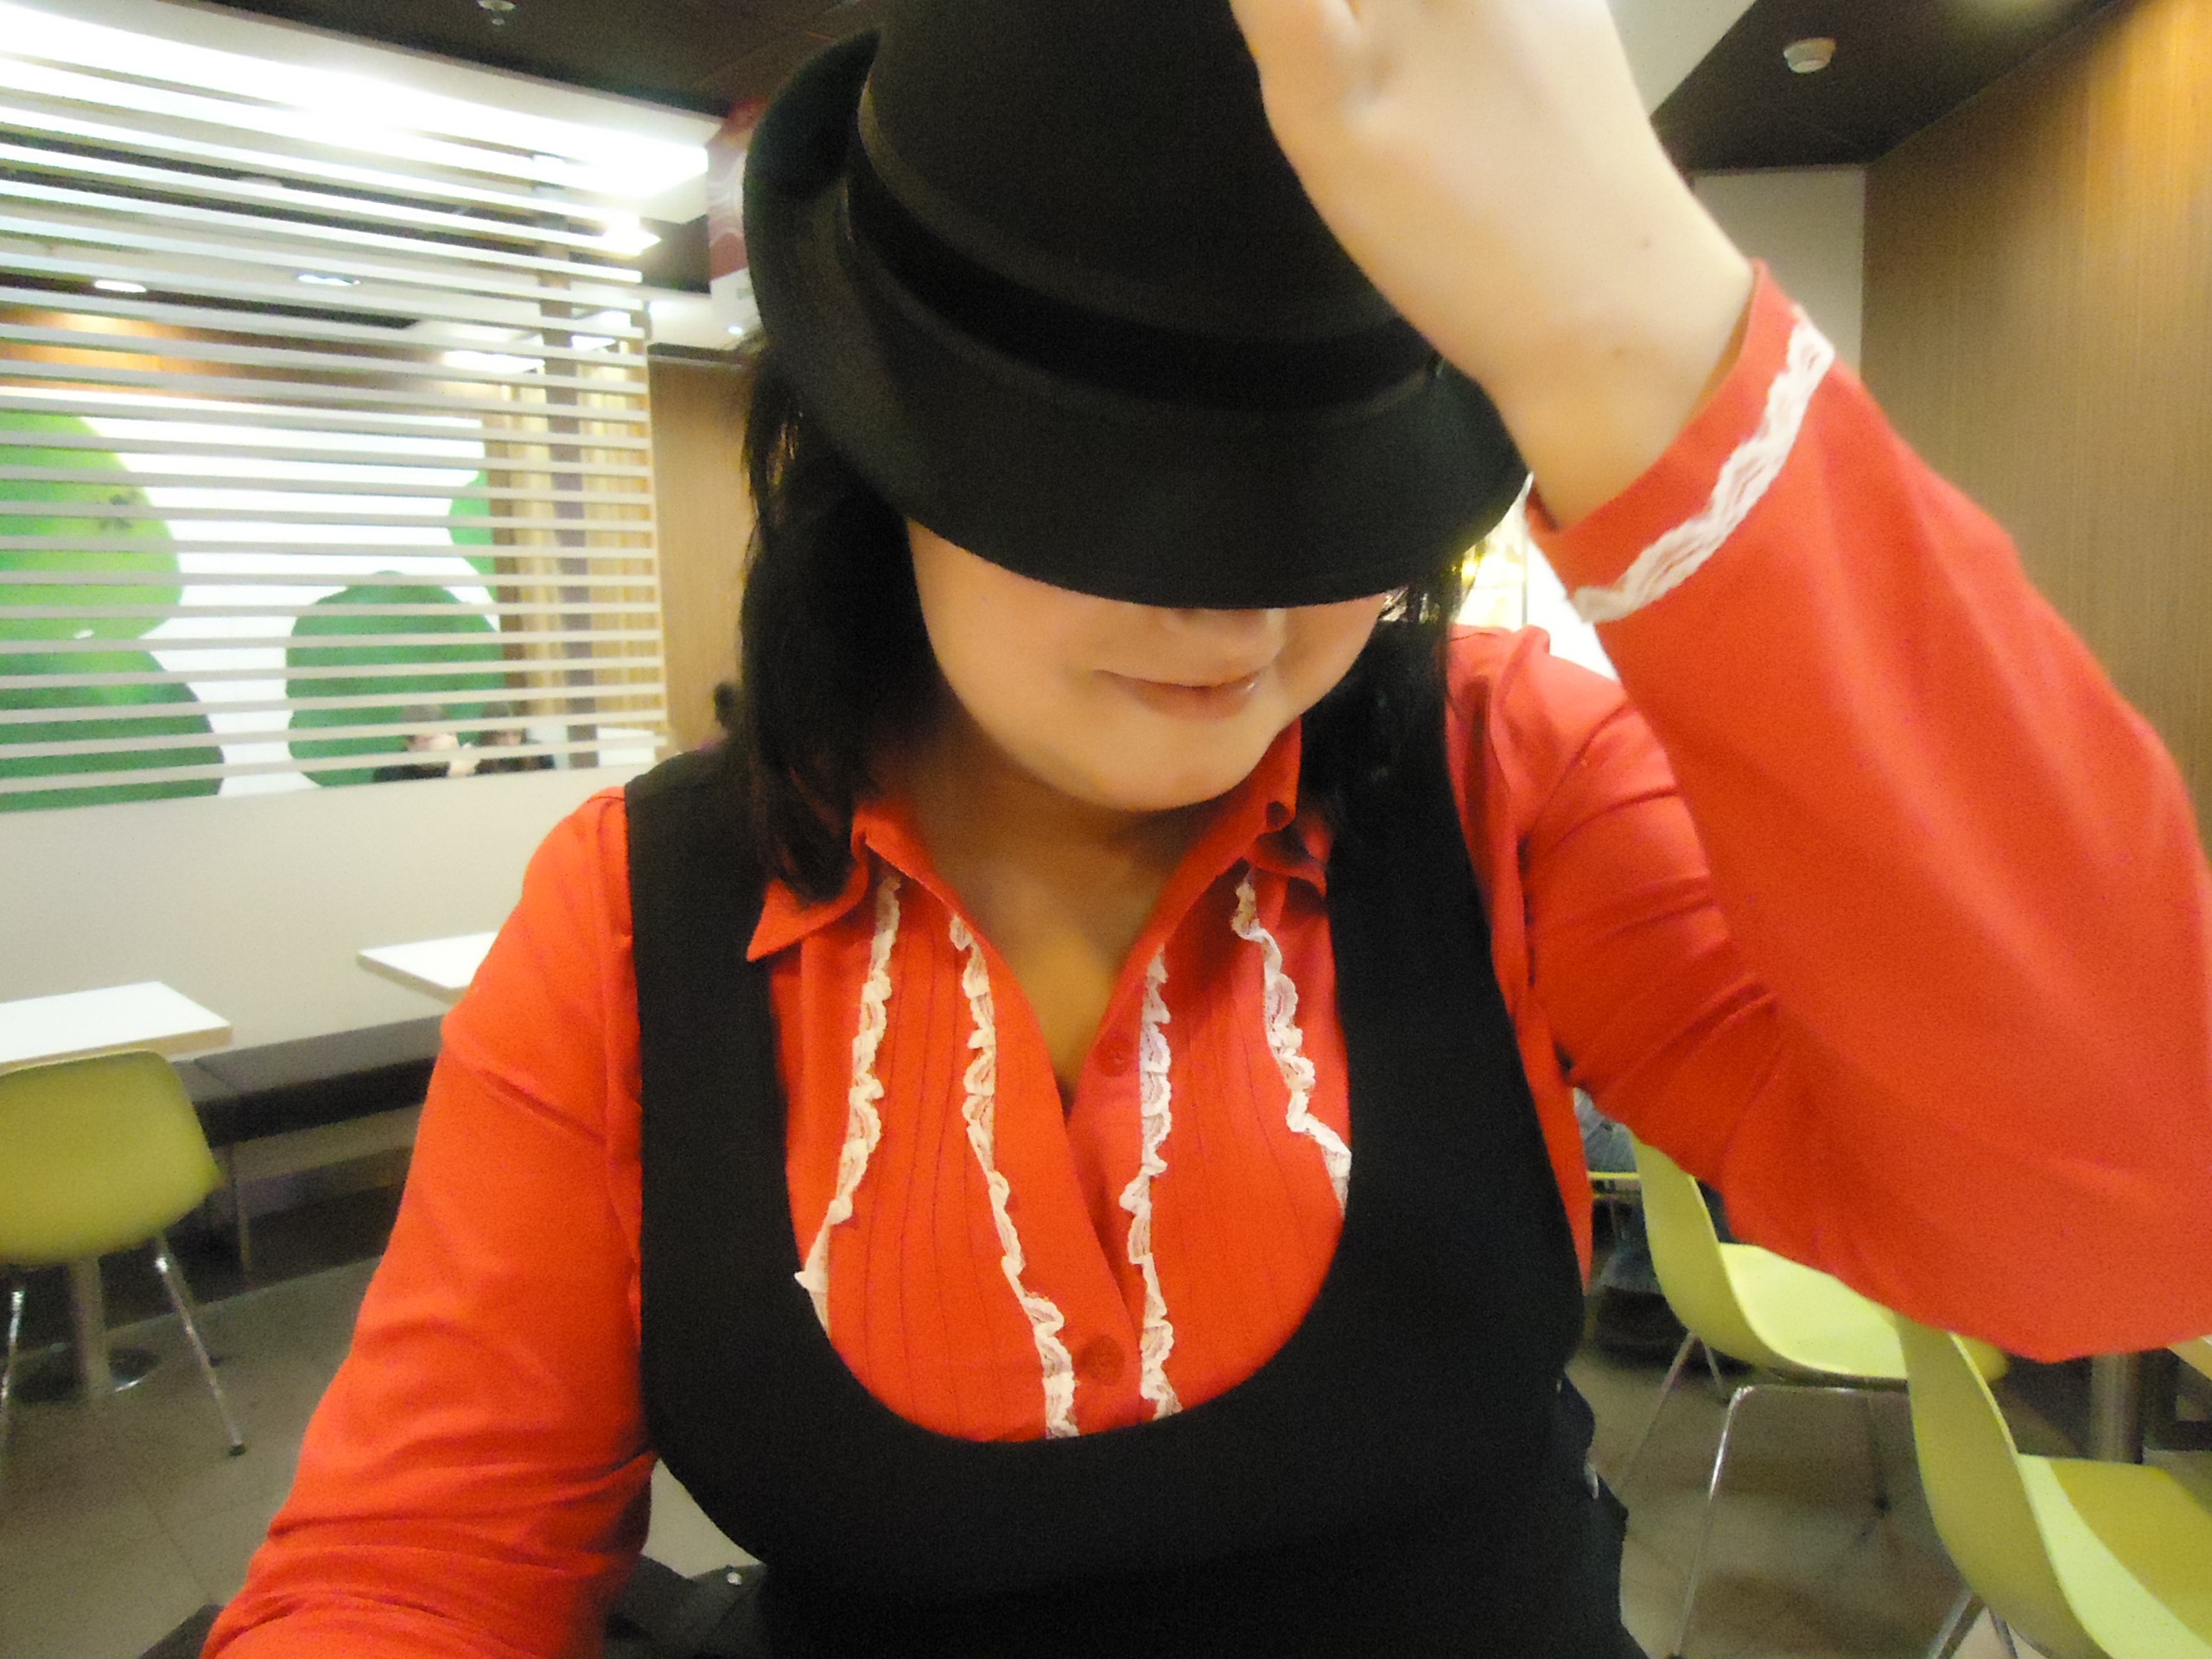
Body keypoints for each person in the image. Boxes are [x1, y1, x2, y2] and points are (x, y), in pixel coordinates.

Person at [207, 0, 2212, 1654]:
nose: (1237, 624)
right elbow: (418, 1563)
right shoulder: (634, 917)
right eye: (1099, 496)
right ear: (875, 451)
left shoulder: (1502, 776)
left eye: (1325, 520)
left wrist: (1647, 336)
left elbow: (2113, 1219)